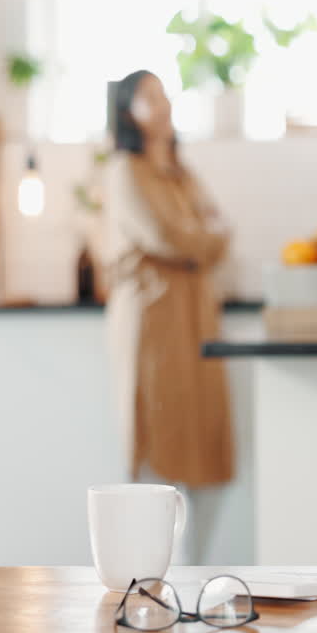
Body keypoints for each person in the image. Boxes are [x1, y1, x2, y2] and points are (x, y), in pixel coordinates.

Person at [104, 70, 233, 563]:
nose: (162, 105)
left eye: (164, 95)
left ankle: (190, 569)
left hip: (196, 317)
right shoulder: (124, 171)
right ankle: (147, 569)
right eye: (148, 98)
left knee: (205, 449)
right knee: (157, 443)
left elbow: (218, 232)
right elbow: (166, 236)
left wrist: (197, 241)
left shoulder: (183, 172)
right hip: (152, 324)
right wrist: (200, 241)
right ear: (125, 110)